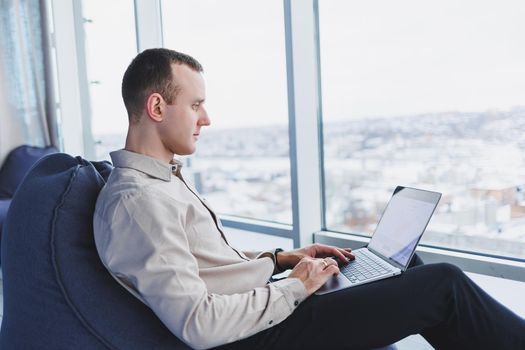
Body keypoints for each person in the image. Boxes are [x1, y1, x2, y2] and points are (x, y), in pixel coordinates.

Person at [93, 48, 525, 350]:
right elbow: (198, 324)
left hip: (257, 308)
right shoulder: (139, 203)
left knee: (402, 264)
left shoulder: (160, 183)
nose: (207, 118)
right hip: (252, 337)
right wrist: (298, 287)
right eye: (196, 105)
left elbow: (208, 267)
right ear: (156, 106)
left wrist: (284, 259)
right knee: (443, 284)